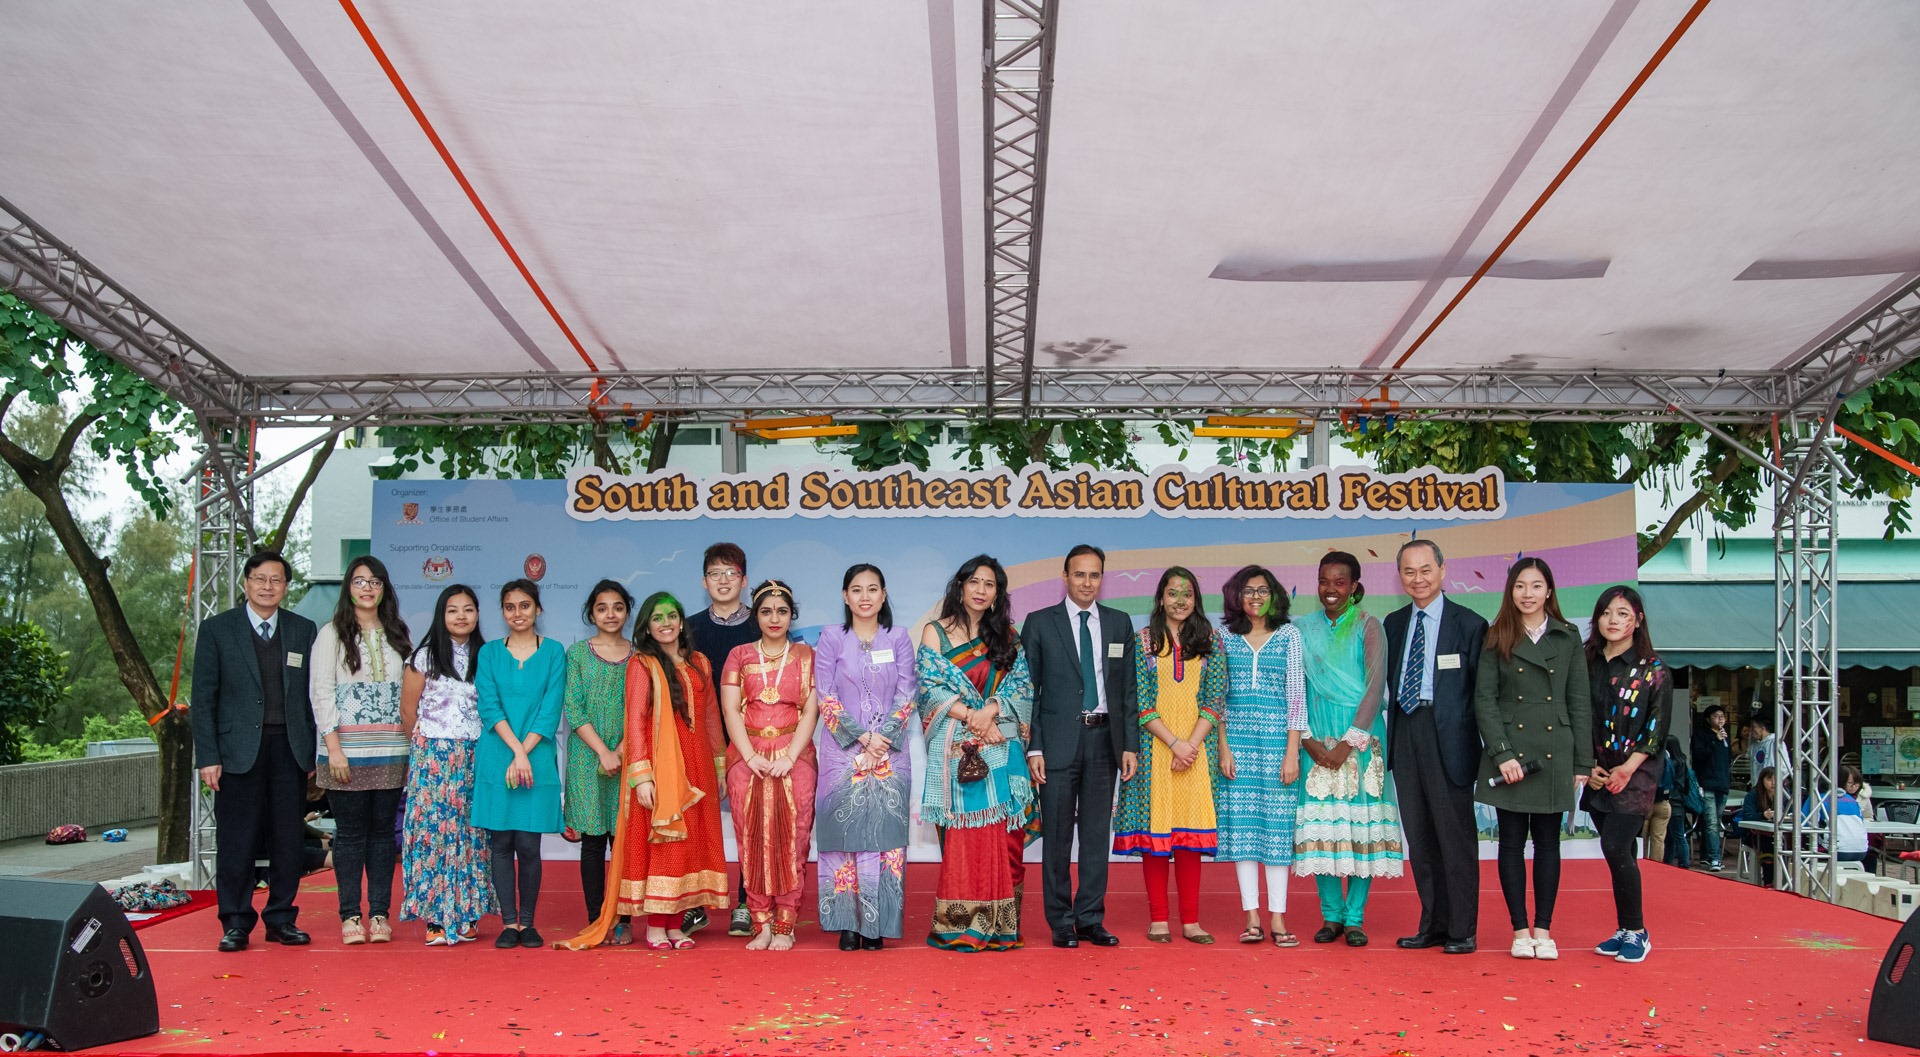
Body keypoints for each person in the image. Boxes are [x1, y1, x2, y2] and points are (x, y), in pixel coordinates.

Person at [557, 592, 729, 951]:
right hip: (662, 768)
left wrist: (719, 768)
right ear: (647, 627)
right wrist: (642, 776)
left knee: (689, 845)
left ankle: (677, 923)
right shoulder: (642, 665)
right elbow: (635, 723)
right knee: (665, 845)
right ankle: (655, 926)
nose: (665, 623)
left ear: (681, 621)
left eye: (671, 616)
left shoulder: (700, 662)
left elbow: (712, 717)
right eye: (657, 618)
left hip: (698, 767)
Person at [190, 550, 319, 953]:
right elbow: (202, 699)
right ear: (246, 583)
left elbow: (314, 696)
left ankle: (281, 917)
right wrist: (208, 756)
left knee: (287, 840)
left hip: (290, 748)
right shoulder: (216, 630)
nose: (268, 587)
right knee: (237, 840)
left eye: (276, 580)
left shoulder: (303, 629)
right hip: (235, 752)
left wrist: (315, 752)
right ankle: (235, 921)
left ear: (286, 586)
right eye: (260, 579)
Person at [1473, 557, 1591, 961]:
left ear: (1549, 591)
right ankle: (1520, 931)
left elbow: (1579, 700)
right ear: (1510, 591)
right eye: (1520, 586)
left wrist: (1582, 763)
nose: (1528, 594)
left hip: (1555, 751)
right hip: (1509, 754)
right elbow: (1484, 700)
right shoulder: (1496, 635)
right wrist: (1502, 753)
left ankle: (1544, 929)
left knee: (1547, 844)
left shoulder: (1568, 636)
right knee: (1509, 844)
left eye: (1536, 586)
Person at [1022, 544, 1140, 949]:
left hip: (1105, 741)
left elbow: (1127, 691)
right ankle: (1061, 921)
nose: (1087, 583)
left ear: (1102, 579)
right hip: (1056, 744)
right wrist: (1033, 747)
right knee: (1056, 836)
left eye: (1094, 575)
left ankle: (1090, 918)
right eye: (1080, 575)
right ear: (1065, 577)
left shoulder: (1119, 623)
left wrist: (1130, 745)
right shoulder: (1039, 623)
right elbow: (1028, 692)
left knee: (1094, 836)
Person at [917, 555, 1037, 952]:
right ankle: (959, 924)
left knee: (1008, 839)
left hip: (1003, 743)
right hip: (959, 747)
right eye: (975, 582)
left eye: (990, 584)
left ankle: (1003, 925)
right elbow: (929, 689)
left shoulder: (1008, 635)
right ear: (961, 585)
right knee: (963, 836)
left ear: (998, 593)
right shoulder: (936, 633)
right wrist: (972, 714)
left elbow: (1021, 686)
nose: (981, 590)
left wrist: (990, 712)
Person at [1384, 539, 1489, 955]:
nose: (1418, 579)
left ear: (1443, 571)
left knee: (1455, 838)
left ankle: (1462, 929)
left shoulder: (1470, 624)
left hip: (1451, 738)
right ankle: (1433, 924)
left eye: (1425, 570)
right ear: (1400, 577)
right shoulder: (1392, 624)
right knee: (1421, 838)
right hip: (1406, 733)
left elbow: (1483, 694)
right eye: (1409, 572)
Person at [1293, 551, 1402, 948]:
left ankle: (1355, 918)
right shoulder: (1301, 629)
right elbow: (1295, 689)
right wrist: (1305, 738)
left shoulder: (1369, 626)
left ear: (1354, 586)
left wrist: (1347, 744)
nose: (1331, 589)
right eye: (1325, 581)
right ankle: (1331, 917)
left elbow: (1375, 688)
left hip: (1361, 741)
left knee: (1360, 830)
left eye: (1340, 582)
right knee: (1323, 828)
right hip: (1315, 739)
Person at [1114, 567, 1226, 944]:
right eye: (1173, 593)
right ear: (1160, 597)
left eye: (1188, 594)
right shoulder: (1143, 640)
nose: (1180, 601)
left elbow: (1214, 698)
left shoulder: (1211, 640)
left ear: (1197, 599)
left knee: (1190, 836)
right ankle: (1159, 918)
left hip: (1197, 751)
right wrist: (1174, 744)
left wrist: (1190, 745)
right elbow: (1140, 702)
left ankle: (1191, 921)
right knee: (1157, 835)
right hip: (1154, 749)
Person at [814, 564, 918, 950]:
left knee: (885, 838)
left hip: (890, 756)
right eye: (856, 590)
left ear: (884, 594)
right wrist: (862, 738)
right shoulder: (831, 638)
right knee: (843, 834)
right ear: (845, 596)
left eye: (872, 589)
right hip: (843, 754)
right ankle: (847, 923)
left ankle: (877, 926)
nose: (864, 596)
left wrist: (883, 739)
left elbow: (908, 693)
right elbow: (824, 693)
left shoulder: (900, 638)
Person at [312, 556, 412, 946]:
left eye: (374, 581)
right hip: (345, 751)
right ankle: (350, 915)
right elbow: (320, 693)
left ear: (384, 588)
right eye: (359, 581)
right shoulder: (331, 633)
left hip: (391, 748)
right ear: (348, 588)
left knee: (384, 834)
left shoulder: (397, 633)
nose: (367, 588)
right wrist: (333, 748)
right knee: (351, 834)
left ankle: (380, 913)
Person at [721, 579, 819, 951]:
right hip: (749, 756)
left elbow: (811, 709)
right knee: (752, 840)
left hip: (795, 755)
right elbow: (730, 709)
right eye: (766, 611)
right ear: (756, 615)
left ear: (792, 615)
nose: (774, 618)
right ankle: (760, 922)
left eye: (781, 611)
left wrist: (790, 756)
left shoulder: (807, 656)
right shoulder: (740, 655)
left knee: (793, 838)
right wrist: (750, 756)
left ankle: (786, 923)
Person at [399, 583, 498, 945]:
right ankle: (435, 919)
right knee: (434, 836)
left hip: (476, 755)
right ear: (442, 615)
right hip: (433, 759)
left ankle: (468, 913)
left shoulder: (488, 656)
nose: (461, 616)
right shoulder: (422, 656)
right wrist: (430, 749)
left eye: (468, 609)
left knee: (471, 836)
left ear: (477, 614)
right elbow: (408, 712)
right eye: (453, 609)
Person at [1214, 564, 1307, 946]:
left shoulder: (1289, 636)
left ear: (1275, 595)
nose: (1255, 596)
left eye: (1263, 590)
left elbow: (1297, 696)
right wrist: (1222, 746)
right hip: (1235, 745)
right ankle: (1251, 917)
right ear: (1236, 597)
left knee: (1278, 833)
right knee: (1244, 832)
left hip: (1277, 746)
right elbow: (1216, 696)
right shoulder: (1223, 637)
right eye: (1248, 590)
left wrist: (1292, 752)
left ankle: (1279, 918)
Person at [472, 578, 566, 948]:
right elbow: (489, 706)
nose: (517, 613)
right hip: (498, 756)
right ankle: (508, 924)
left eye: (524, 606)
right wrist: (515, 752)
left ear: (537, 609)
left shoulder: (554, 651)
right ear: (503, 612)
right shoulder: (490, 653)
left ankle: (528, 923)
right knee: (500, 844)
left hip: (537, 756)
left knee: (528, 845)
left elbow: (550, 709)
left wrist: (525, 753)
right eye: (510, 607)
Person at [1580, 584, 1671, 966]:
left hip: (1636, 774)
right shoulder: (1586, 661)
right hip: (1597, 771)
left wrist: (1627, 768)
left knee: (1616, 846)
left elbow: (1657, 730)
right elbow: (1577, 716)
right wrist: (1588, 768)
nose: (1613, 620)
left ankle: (1637, 931)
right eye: (1606, 613)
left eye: (1622, 613)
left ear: (1638, 619)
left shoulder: (1654, 670)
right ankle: (1624, 928)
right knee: (1623, 852)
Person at [686, 542, 758, 937]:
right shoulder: (689, 627)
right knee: (696, 820)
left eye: (731, 573)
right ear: (704, 581)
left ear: (744, 580)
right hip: (699, 736)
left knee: (749, 824)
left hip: (753, 736)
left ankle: (746, 903)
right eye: (716, 573)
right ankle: (695, 904)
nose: (724, 580)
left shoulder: (762, 623)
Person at [564, 580, 635, 922]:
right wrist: (603, 752)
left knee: (623, 842)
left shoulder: (641, 656)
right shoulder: (577, 653)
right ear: (591, 613)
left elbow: (642, 710)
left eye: (618, 607)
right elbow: (573, 709)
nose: (611, 614)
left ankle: (621, 920)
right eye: (602, 607)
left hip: (629, 756)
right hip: (586, 757)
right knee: (593, 841)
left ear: (627, 612)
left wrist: (620, 751)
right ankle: (597, 918)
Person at [1805, 765, 1874, 872]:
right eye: (1850, 783)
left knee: (1801, 851)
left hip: (1835, 850)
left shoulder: (1816, 797)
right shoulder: (1852, 800)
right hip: (1861, 851)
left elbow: (1803, 823)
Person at [1689, 703, 1733, 871]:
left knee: (1714, 821)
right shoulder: (1701, 735)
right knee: (1712, 822)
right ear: (1708, 719)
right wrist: (1715, 741)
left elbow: (1727, 760)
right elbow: (1699, 756)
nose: (1720, 719)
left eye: (1722, 716)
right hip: (1707, 783)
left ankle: (1706, 856)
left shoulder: (1725, 736)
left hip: (1722, 784)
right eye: (1716, 716)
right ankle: (1715, 858)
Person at [1739, 766, 1782, 887]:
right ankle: (1769, 881)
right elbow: (1748, 816)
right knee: (1768, 845)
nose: (1773, 783)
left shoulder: (1784, 794)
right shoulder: (1752, 795)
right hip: (1754, 834)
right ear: (1762, 780)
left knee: (1789, 844)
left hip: (1777, 833)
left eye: (1775, 779)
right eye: (1769, 779)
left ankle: (1786, 881)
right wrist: (1763, 815)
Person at [1746, 713, 1783, 780]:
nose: (1750, 730)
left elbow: (1784, 767)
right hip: (1757, 786)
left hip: (1772, 786)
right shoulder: (1753, 745)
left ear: (1762, 728)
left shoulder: (1775, 742)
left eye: (1753, 727)